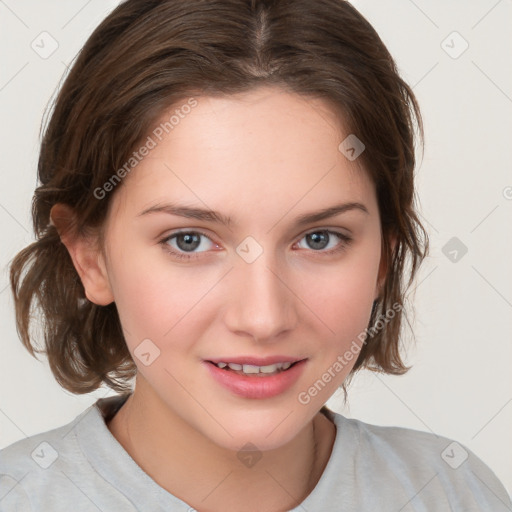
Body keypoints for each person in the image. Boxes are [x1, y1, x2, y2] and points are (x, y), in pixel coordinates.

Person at [1, 0, 510, 510]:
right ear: (89, 256)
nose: (263, 318)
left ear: (383, 257)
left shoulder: (453, 492)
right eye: (189, 240)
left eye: (319, 239)